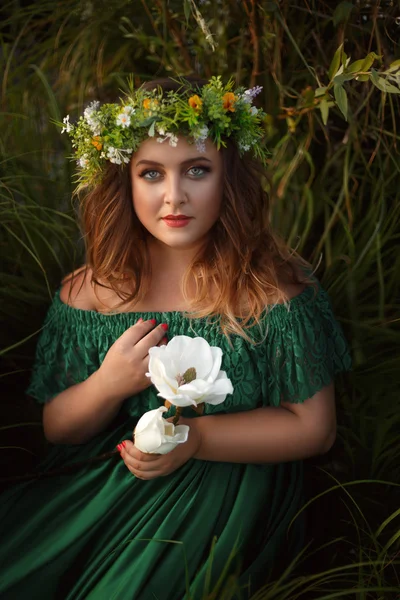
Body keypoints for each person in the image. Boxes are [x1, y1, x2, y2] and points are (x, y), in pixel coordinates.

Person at [0, 76, 351, 599]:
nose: (174, 195)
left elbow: (314, 429)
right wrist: (109, 384)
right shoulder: (94, 291)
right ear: (124, 182)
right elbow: (58, 428)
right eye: (150, 173)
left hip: (225, 490)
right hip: (110, 479)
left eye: (197, 170)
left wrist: (197, 439)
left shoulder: (268, 291)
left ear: (227, 177)